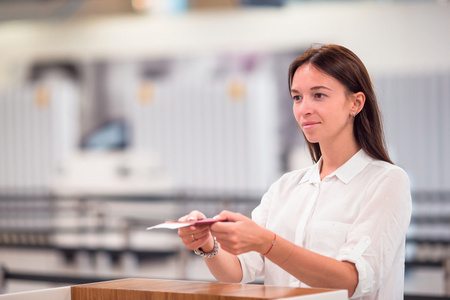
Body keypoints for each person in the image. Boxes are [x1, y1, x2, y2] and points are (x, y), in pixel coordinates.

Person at [177, 44, 412, 300]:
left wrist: (267, 243)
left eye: (318, 95)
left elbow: (351, 281)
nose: (303, 109)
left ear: (355, 102)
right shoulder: (285, 187)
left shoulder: (386, 181)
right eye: (297, 97)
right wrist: (207, 244)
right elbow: (238, 269)